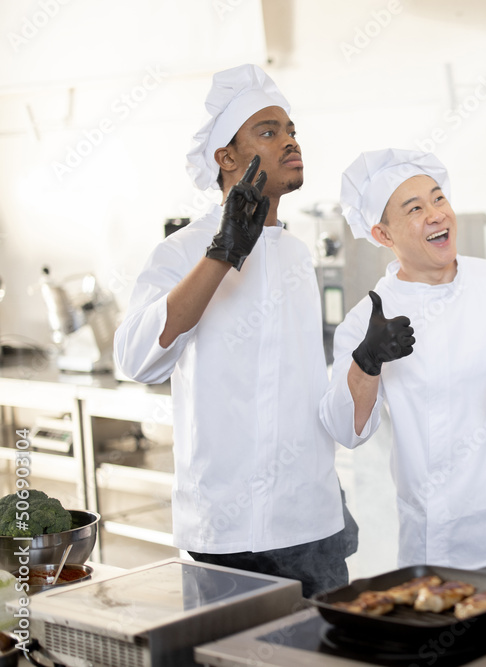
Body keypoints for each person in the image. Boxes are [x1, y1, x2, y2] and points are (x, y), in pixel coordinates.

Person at [114, 64, 357, 598]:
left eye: (290, 130)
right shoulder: (183, 250)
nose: (290, 141)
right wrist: (223, 253)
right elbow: (136, 358)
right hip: (226, 526)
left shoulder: (297, 253)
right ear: (226, 158)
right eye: (268, 132)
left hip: (311, 519)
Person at [319, 149, 486, 599]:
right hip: (440, 542)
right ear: (381, 233)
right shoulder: (367, 319)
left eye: (437, 199)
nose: (436, 215)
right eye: (415, 209)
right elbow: (345, 430)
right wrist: (366, 361)